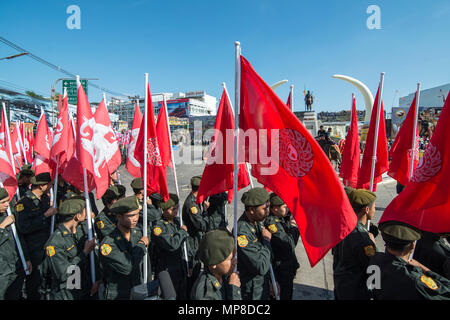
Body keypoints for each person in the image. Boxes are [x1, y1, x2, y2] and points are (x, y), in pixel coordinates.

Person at [370, 222, 450, 300]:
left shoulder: (375, 259)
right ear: (412, 246)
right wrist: (424, 269)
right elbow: (446, 291)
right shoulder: (416, 280)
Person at [40, 198, 100, 299]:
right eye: (85, 210)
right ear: (78, 216)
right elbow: (63, 274)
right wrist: (84, 252)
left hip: (85, 286)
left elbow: (92, 258)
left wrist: (97, 278)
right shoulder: (55, 242)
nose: (88, 212)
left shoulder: (80, 230)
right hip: (68, 293)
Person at [15, 172, 58, 300]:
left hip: (47, 246)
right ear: (41, 186)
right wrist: (45, 216)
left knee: (46, 283)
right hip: (33, 250)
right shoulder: (25, 203)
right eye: (49, 184)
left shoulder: (45, 199)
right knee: (34, 285)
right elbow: (24, 227)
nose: (51, 186)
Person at [99, 196, 149, 300]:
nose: (135, 219)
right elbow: (127, 267)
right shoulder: (108, 244)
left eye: (137, 214)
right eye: (130, 216)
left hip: (137, 289)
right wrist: (140, 245)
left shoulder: (137, 233)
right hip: (118, 294)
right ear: (118, 216)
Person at [332, 188, 377, 300]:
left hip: (341, 283)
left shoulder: (344, 226)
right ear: (366, 209)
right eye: (374, 207)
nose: (374, 210)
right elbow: (373, 267)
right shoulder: (363, 239)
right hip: (356, 290)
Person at [234, 187, 275, 300]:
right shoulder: (242, 233)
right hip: (252, 291)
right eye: (264, 208)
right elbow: (260, 266)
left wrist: (272, 280)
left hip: (263, 284)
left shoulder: (257, 221)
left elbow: (267, 259)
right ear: (252, 210)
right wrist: (266, 241)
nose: (268, 212)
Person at [152, 193, 189, 300]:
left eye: (177, 208)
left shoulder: (178, 221)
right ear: (163, 210)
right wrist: (182, 232)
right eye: (173, 209)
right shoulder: (158, 227)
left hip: (180, 267)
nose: (176, 211)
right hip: (167, 270)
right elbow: (172, 244)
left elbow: (185, 244)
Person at [264, 193, 300, 300]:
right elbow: (289, 244)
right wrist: (294, 227)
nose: (287, 208)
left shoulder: (282, 217)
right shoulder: (272, 223)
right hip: (280, 272)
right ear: (275, 209)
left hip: (287, 269)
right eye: (284, 206)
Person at [191, 229, 241, 300]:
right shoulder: (205, 294)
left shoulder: (223, 276)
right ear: (214, 264)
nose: (235, 261)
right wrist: (234, 291)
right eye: (230, 259)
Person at [0, 188, 32, 300]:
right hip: (2, 271)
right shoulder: (5, 220)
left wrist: (26, 258)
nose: (6, 204)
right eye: (3, 202)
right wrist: (2, 226)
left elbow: (20, 238)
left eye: (7, 201)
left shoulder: (9, 214)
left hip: (15, 266)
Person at [182, 176, 210, 290]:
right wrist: (206, 211)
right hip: (192, 243)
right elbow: (202, 225)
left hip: (196, 241)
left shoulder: (196, 200)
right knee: (193, 273)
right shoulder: (192, 205)